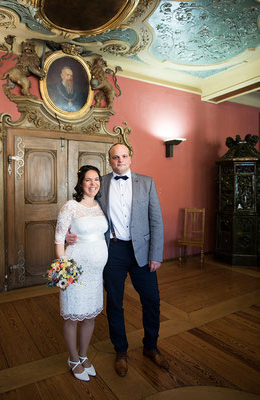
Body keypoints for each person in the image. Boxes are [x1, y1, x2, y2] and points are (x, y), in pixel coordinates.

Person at [66, 144, 169, 377]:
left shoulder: (147, 183)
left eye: (123, 156)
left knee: (152, 300)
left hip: (142, 251)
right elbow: (80, 209)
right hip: (112, 251)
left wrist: (156, 254)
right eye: (115, 157)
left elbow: (157, 221)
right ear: (109, 161)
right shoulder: (99, 183)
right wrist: (67, 232)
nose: (120, 160)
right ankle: (120, 350)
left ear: (130, 158)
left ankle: (151, 347)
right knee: (114, 302)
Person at [55, 165, 108, 381]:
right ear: (81, 183)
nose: (93, 183)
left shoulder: (101, 206)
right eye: (88, 180)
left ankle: (85, 355)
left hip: (96, 274)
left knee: (90, 315)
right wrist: (63, 273)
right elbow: (59, 240)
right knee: (72, 316)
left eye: (96, 179)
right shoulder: (70, 207)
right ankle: (73, 358)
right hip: (74, 270)